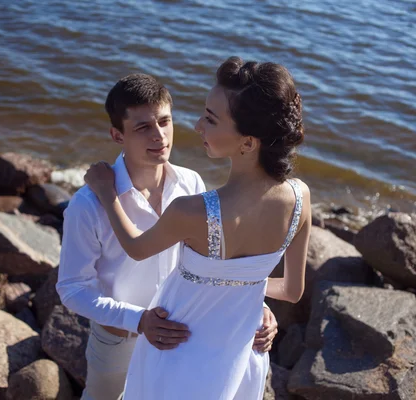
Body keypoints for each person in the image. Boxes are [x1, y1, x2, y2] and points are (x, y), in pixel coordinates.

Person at [84, 56, 311, 399]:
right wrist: (247, 290)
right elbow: (292, 291)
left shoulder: (194, 210)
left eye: (210, 119)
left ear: (248, 142)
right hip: (239, 358)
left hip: (179, 352)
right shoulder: (300, 197)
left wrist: (106, 193)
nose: (197, 126)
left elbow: (135, 246)